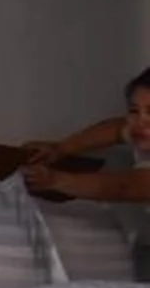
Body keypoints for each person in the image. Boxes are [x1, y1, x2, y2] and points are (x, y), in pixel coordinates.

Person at [23, 68, 150, 203]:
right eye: (134, 110)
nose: (140, 121)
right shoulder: (141, 130)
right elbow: (117, 128)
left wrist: (55, 180)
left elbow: (125, 187)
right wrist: (60, 148)